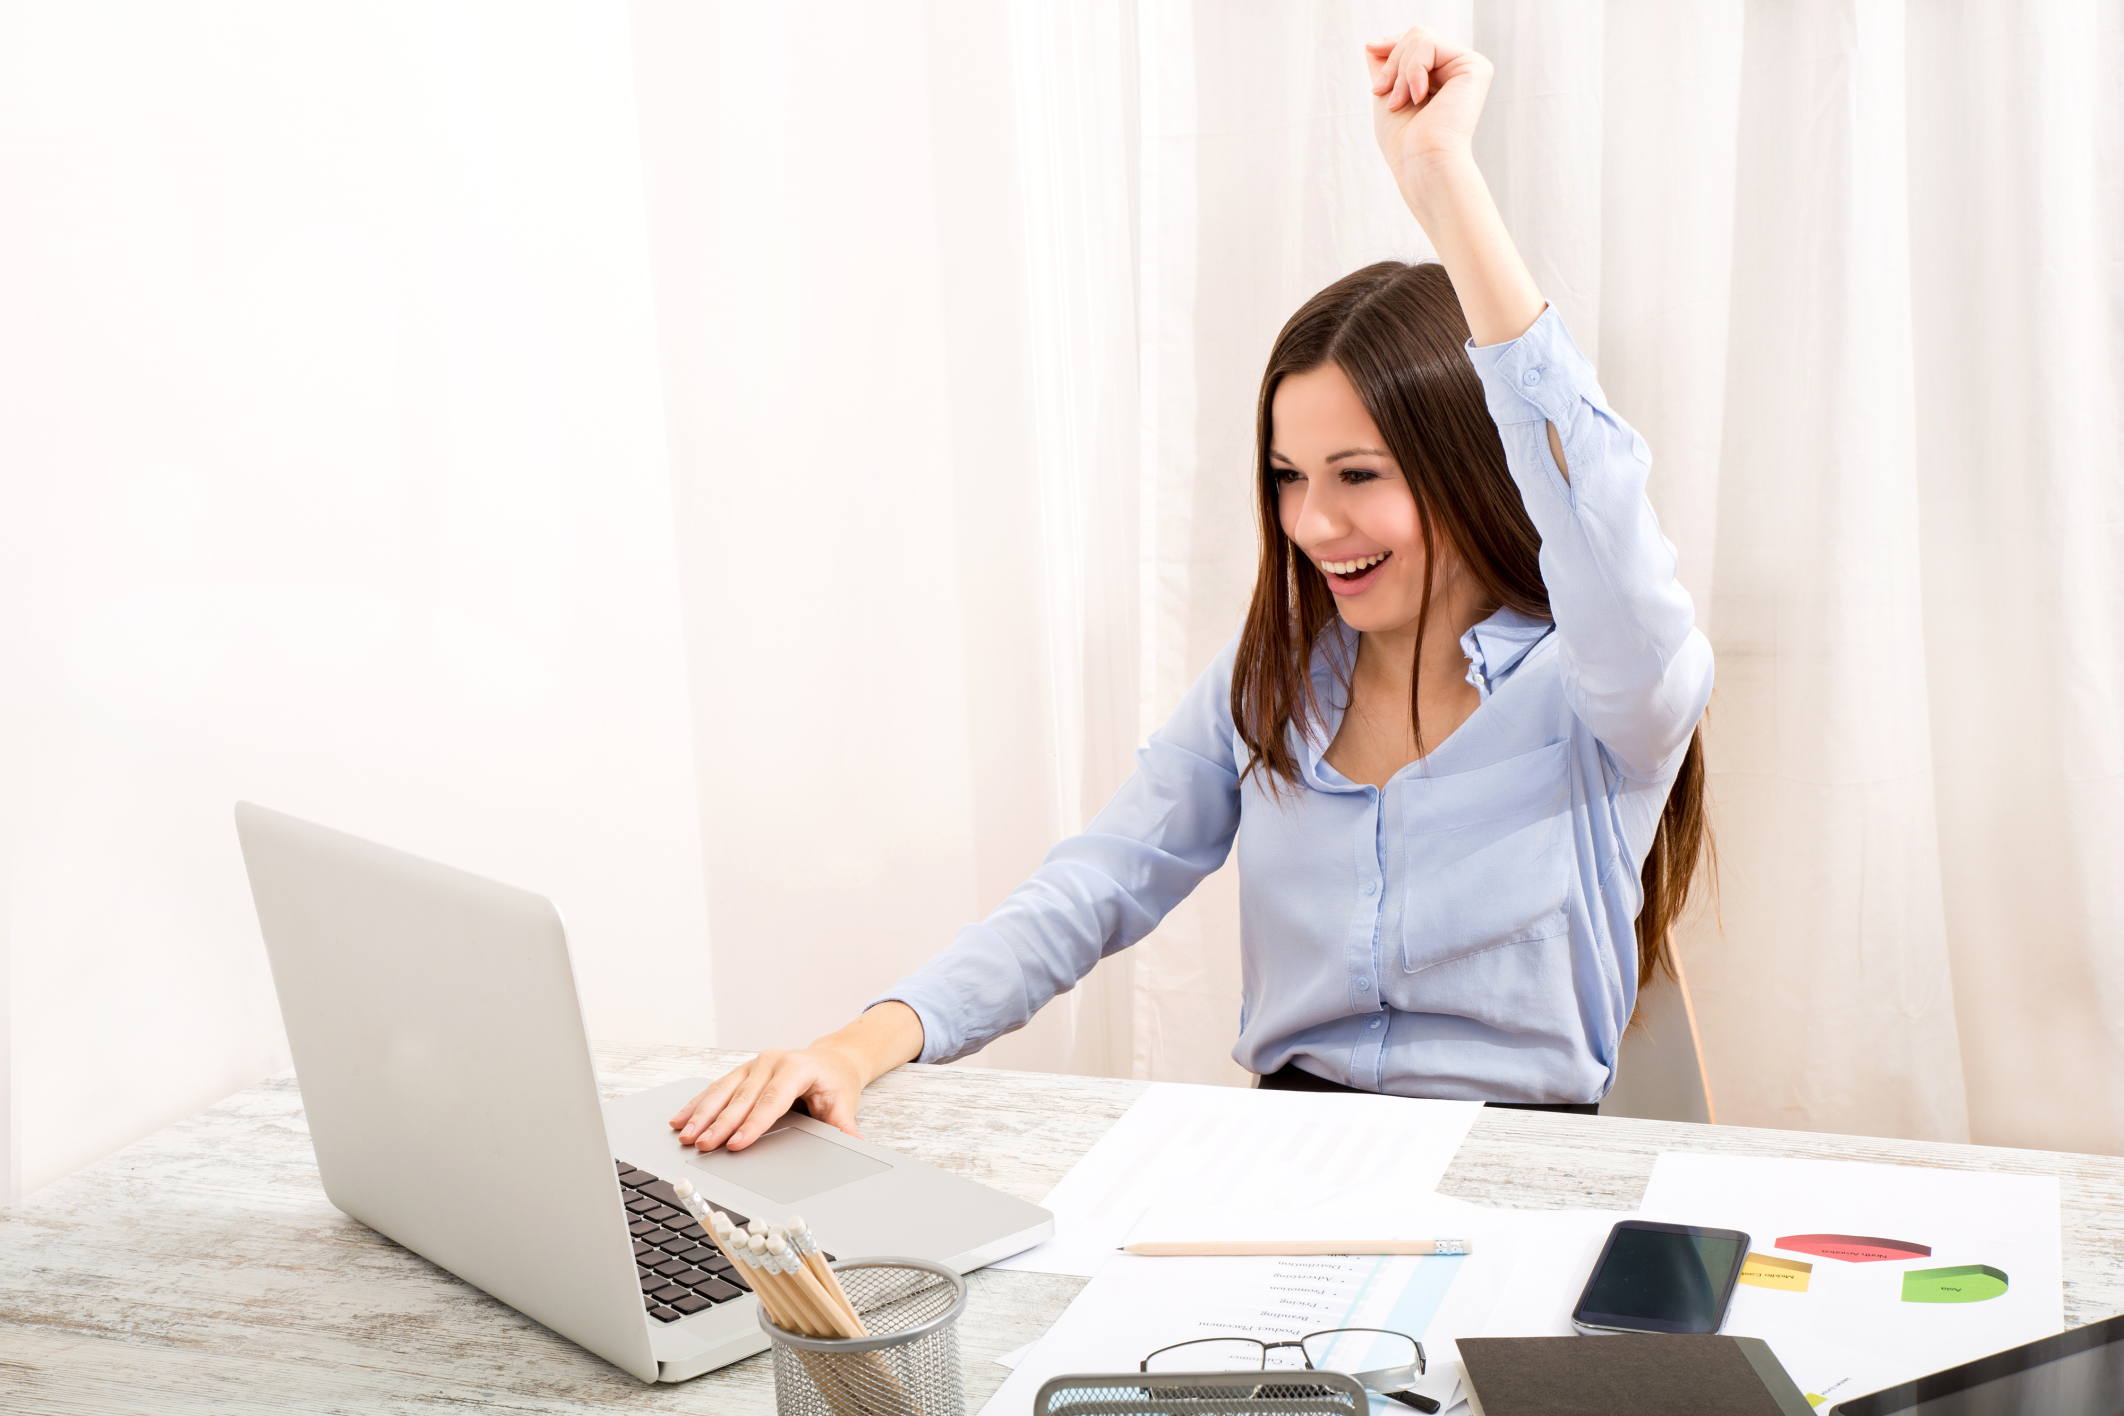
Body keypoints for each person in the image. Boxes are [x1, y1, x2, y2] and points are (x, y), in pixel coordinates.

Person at [671, 23, 1713, 1154]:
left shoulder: (1605, 685)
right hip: (1284, 1166)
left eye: (1358, 477)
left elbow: (1592, 492)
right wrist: (856, 1045)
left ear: (1470, 469)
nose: (1314, 524)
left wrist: (1442, 182)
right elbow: (1099, 882)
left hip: (1524, 1168)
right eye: (1288, 477)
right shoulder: (1275, 680)